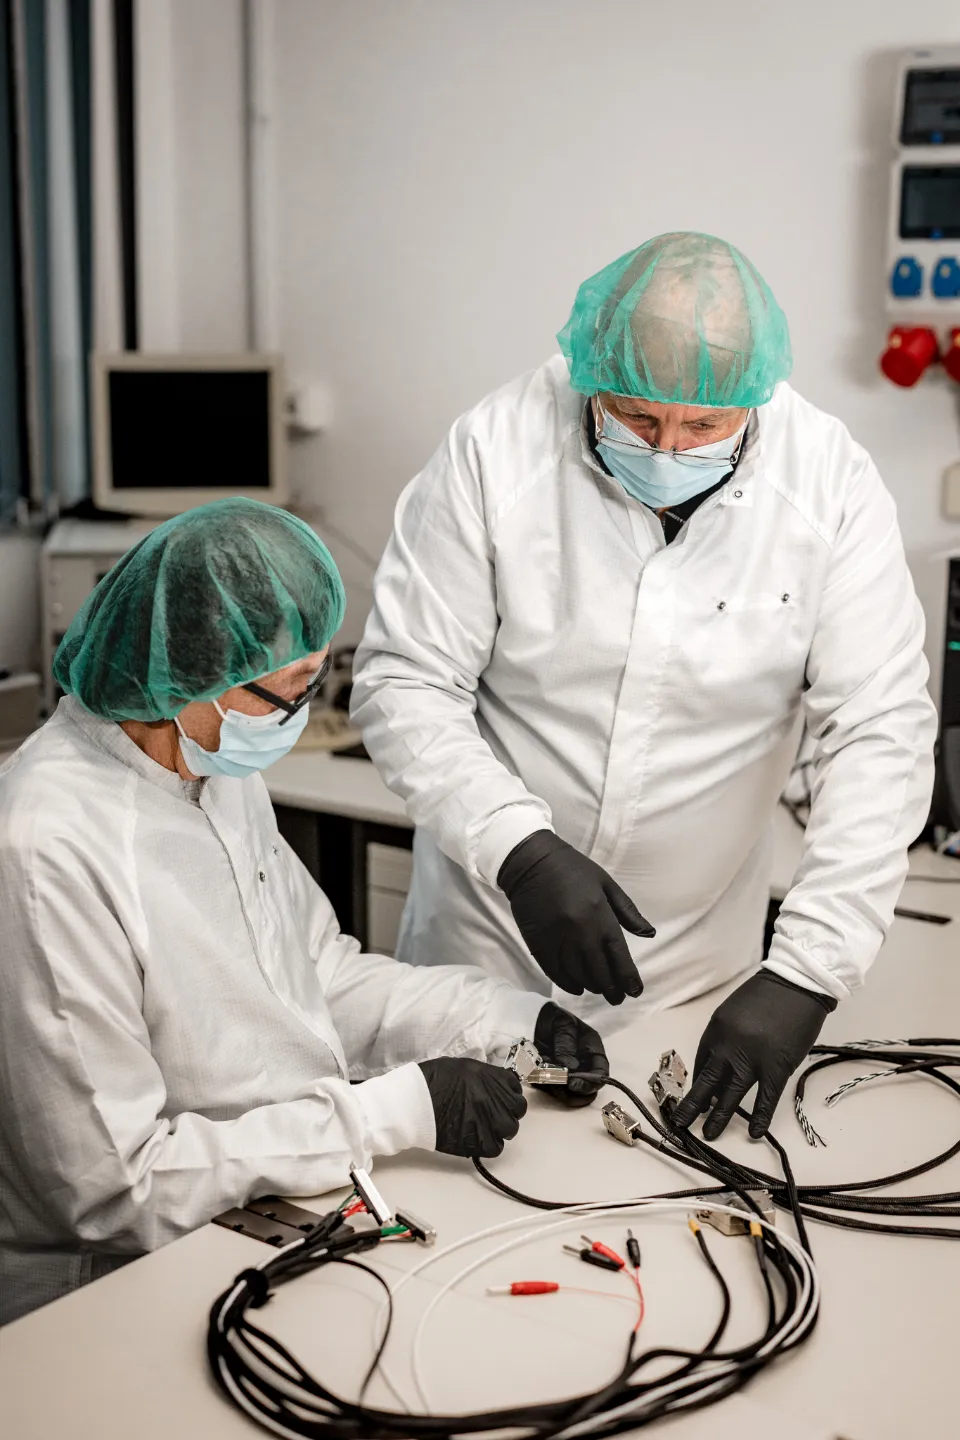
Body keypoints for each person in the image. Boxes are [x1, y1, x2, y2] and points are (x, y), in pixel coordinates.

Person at [351, 231, 937, 1147]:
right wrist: (519, 848)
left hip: (698, 967)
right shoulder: (495, 450)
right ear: (591, 376)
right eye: (635, 418)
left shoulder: (828, 484)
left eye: (705, 427)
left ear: (756, 398)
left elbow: (879, 729)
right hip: (490, 935)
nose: (668, 449)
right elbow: (403, 680)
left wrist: (806, 972)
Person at [0, 498, 608, 1326]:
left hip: (270, 1208)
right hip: (112, 1290)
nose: (300, 714)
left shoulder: (211, 763)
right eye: (288, 693)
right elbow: (108, 1187)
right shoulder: (48, 848)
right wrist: (391, 1112)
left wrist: (504, 1019)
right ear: (194, 673)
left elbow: (314, 972)